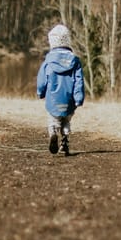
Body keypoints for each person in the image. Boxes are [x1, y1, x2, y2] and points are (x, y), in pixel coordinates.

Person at [36, 23, 85, 156]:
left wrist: (40, 92)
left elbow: (42, 80)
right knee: (66, 121)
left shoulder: (48, 61)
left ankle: (53, 133)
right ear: (68, 40)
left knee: (53, 119)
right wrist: (79, 98)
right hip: (69, 99)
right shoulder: (75, 61)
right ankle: (65, 143)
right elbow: (79, 81)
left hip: (53, 99)